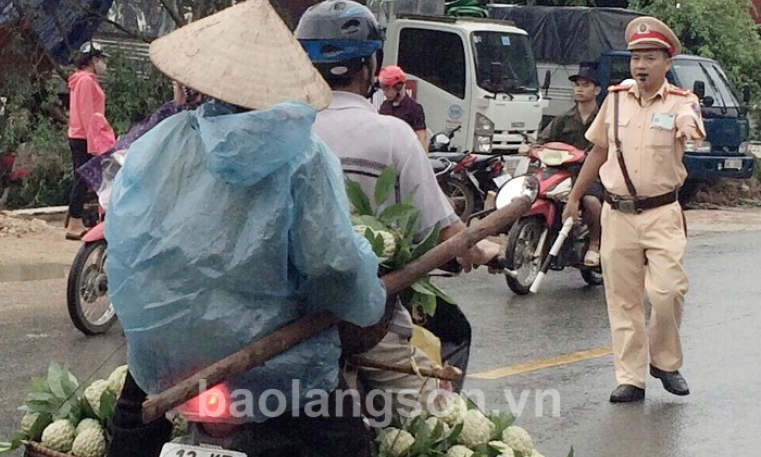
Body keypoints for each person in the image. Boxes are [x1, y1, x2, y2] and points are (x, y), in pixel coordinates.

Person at [104, 1, 387, 456]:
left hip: (167, 359)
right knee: (349, 446)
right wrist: (365, 297)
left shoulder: (158, 145)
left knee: (129, 437)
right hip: (275, 368)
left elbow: (123, 243)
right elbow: (335, 265)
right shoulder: (305, 157)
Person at [296, 0, 501, 418]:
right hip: (365, 322)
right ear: (371, 67)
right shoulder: (393, 135)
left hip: (279, 314)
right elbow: (448, 233)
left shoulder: (281, 129)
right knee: (442, 425)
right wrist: (481, 252)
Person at [561, 16, 705, 403]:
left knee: (667, 292)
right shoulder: (617, 100)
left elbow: (690, 119)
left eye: (650, 57)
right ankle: (630, 378)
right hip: (618, 213)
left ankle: (665, 362)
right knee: (622, 299)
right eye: (636, 57)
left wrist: (688, 127)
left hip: (662, 214)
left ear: (667, 62)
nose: (640, 65)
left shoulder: (680, 102)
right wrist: (574, 197)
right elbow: (599, 151)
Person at [535, 66, 604, 266]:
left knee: (591, 201)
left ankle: (594, 243)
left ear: (597, 90)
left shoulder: (604, 119)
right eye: (577, 85)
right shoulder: (563, 118)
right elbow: (543, 140)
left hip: (594, 176)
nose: (579, 89)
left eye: (586, 85)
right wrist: (532, 148)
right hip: (563, 173)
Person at [66, 40, 110, 240]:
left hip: (82, 135)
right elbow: (87, 113)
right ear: (92, 59)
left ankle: (76, 219)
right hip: (84, 137)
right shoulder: (85, 81)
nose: (102, 63)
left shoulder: (84, 80)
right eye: (100, 59)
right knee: (82, 180)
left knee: (82, 179)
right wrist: (94, 143)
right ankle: (74, 222)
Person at [378, 65, 428, 151]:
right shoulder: (385, 106)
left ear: (398, 87)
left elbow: (421, 138)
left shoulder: (414, 109)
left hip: (405, 154)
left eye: (387, 89)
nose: (384, 93)